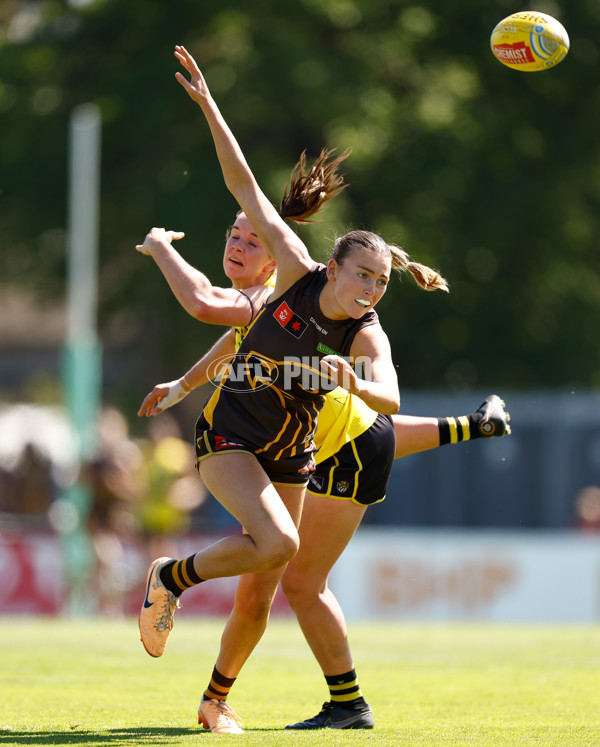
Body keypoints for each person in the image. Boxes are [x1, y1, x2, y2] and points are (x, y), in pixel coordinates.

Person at [134, 45, 509, 735]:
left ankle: (215, 698)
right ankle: (171, 576)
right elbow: (244, 183)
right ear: (331, 265)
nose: (369, 289)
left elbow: (390, 402)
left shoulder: (365, 331)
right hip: (230, 436)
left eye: (378, 282)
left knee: (262, 591)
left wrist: (356, 381)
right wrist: (211, 106)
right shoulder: (292, 274)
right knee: (277, 544)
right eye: (361, 275)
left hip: (292, 452)